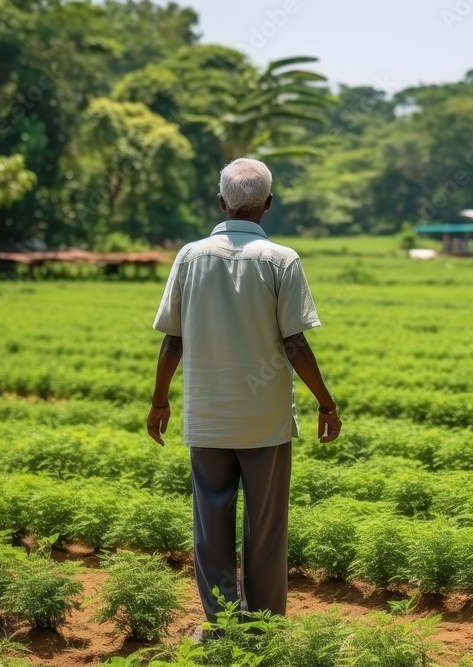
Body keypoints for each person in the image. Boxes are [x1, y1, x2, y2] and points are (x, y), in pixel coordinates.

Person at [147, 158, 342, 636]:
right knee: (266, 528)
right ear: (268, 205)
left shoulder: (190, 257)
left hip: (208, 417)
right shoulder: (281, 260)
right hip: (265, 422)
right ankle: (264, 627)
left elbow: (172, 340)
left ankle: (224, 623)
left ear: (221, 203)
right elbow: (294, 343)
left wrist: (159, 401)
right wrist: (326, 402)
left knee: (211, 527)